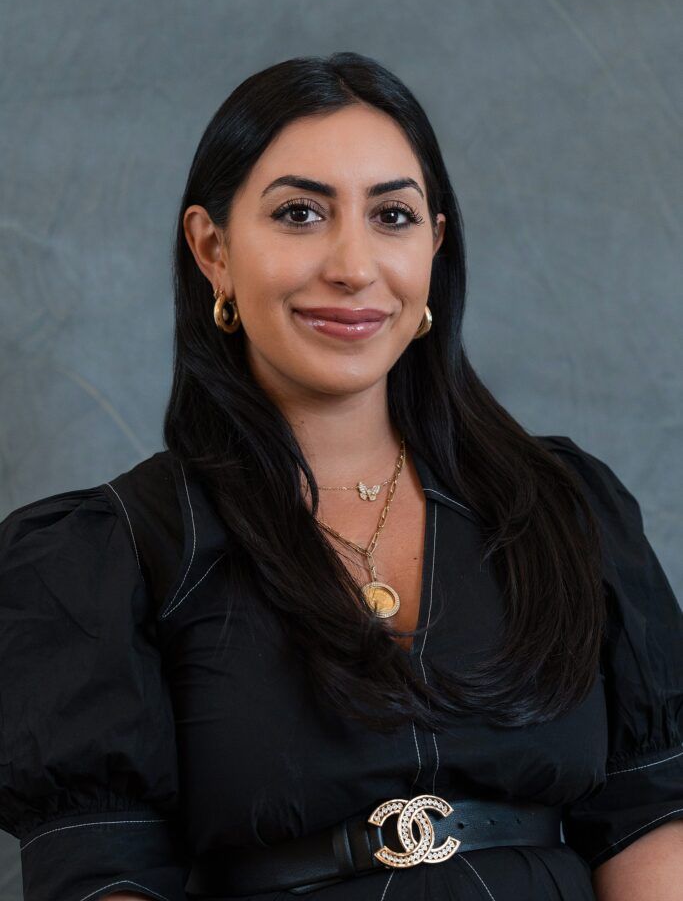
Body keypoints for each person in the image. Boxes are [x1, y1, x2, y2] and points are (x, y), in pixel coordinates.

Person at [1, 52, 681, 901]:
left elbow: (653, 823)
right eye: (299, 214)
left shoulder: (568, 512)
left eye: (392, 216)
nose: (353, 266)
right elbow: (104, 880)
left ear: (434, 244)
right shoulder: (112, 559)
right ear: (212, 250)